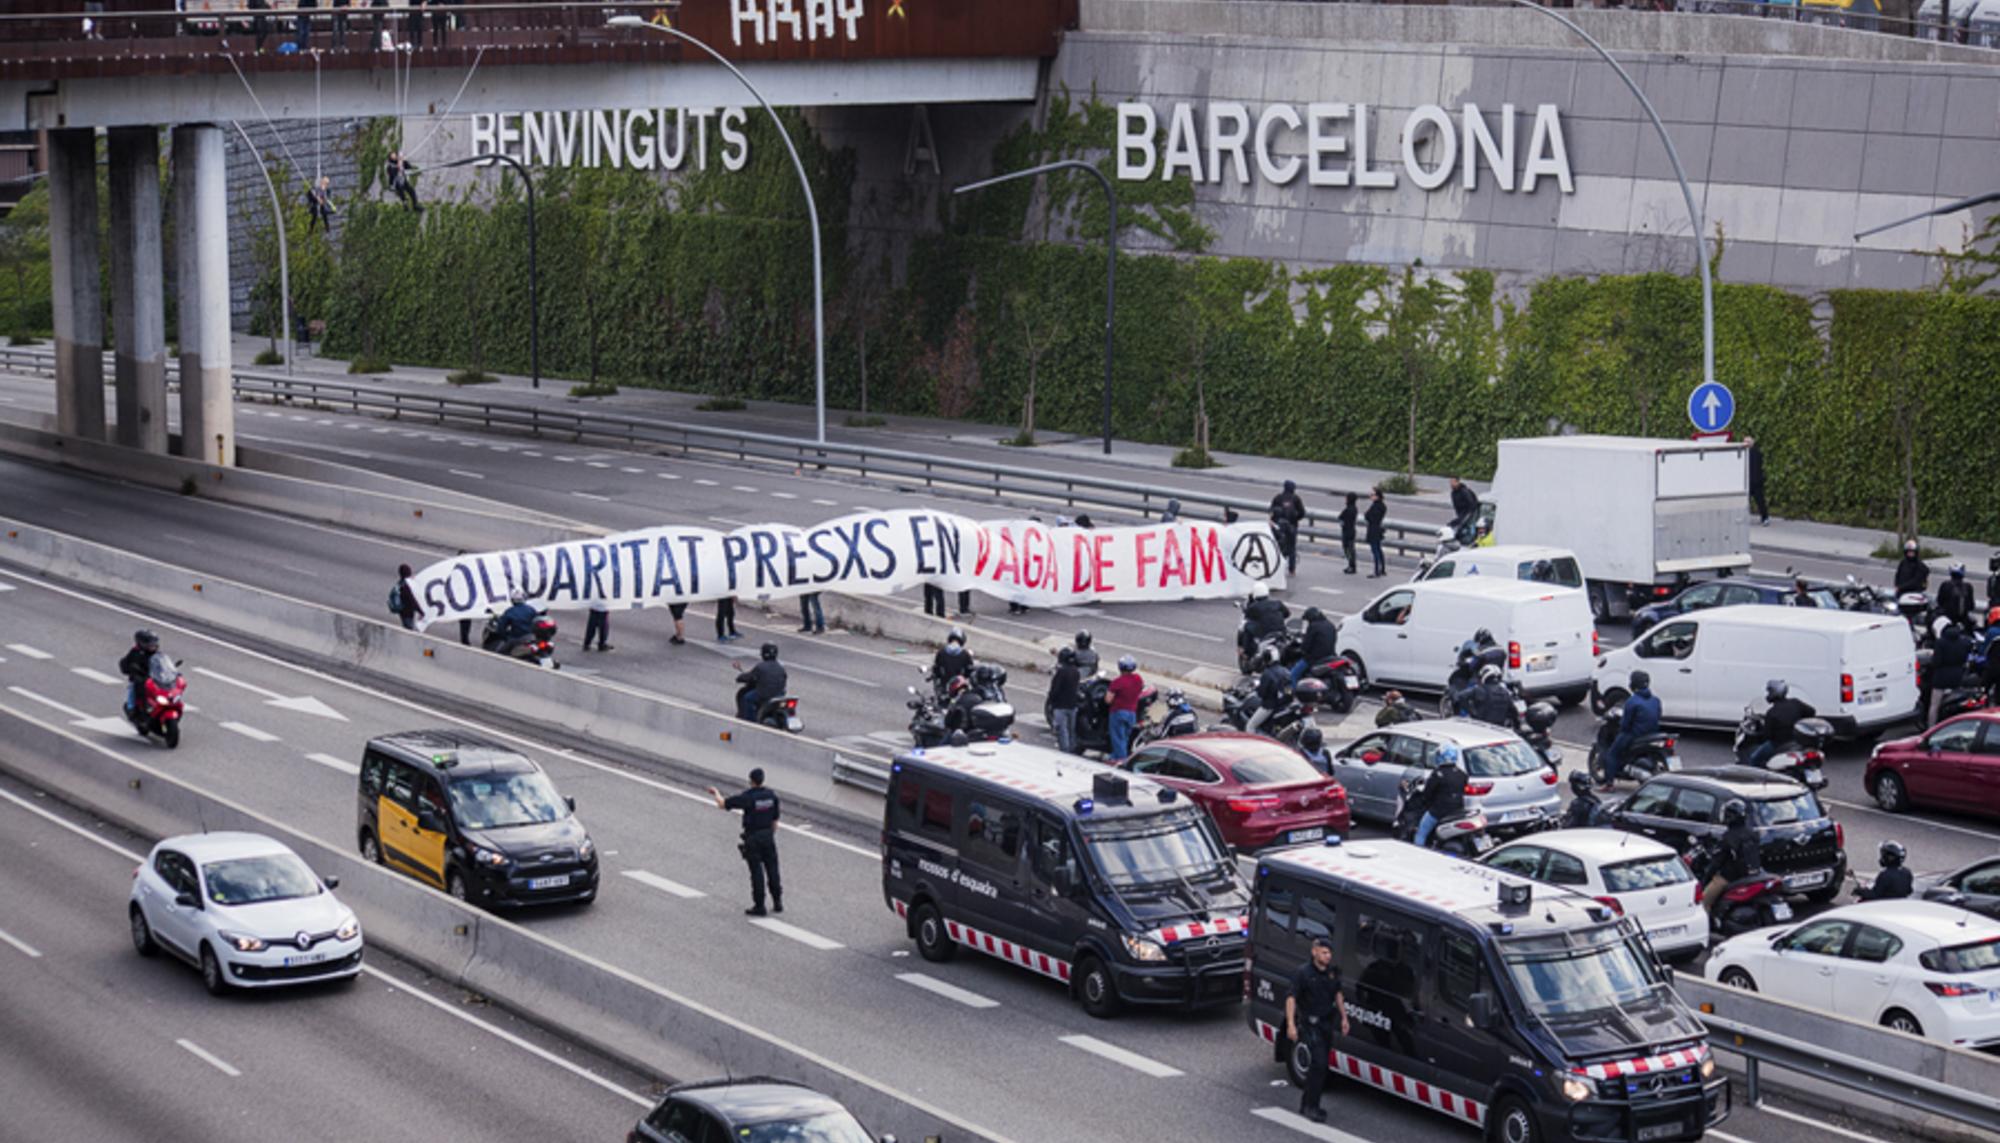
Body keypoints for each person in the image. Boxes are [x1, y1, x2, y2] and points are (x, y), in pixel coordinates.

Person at [1285, 936, 1350, 1125]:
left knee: (1321, 1066)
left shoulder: (1332, 973)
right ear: (1314, 952)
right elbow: (1291, 998)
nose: (1328, 956)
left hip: (1326, 1024)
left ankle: (1307, 1103)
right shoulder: (1303, 973)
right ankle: (1311, 1107)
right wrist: (1290, 1024)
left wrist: (1344, 1018)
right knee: (1319, 1064)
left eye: (1329, 953)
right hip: (1309, 1025)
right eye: (1324, 952)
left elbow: (1338, 994)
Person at [708, 769, 782, 916]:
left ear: (751, 781)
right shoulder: (772, 796)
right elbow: (775, 821)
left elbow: (723, 804)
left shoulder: (748, 797)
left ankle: (760, 906)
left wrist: (716, 793)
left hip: (753, 837)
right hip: (768, 836)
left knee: (756, 872)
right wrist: (769, 835)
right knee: (772, 869)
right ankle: (777, 902)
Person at [1598, 670, 1660, 791]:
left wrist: (1621, 728)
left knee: (1612, 753)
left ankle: (1609, 784)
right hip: (1652, 734)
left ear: (1633, 685)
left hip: (1634, 735)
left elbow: (1626, 724)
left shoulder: (1632, 702)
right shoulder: (1655, 700)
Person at [1702, 799, 1761, 920]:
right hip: (1755, 874)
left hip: (1730, 877)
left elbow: (1716, 862)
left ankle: (1706, 927)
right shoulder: (1753, 834)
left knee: (1703, 902)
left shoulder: (1728, 838)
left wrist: (1706, 877)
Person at [1746, 679, 1815, 767]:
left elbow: (1767, 736)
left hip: (1778, 744)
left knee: (1754, 758)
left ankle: (1754, 777)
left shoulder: (1772, 713)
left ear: (1775, 693)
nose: (1768, 695)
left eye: (1770, 692)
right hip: (1797, 741)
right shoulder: (1796, 703)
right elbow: (1812, 712)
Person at [1413, 745, 1467, 848]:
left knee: (1421, 832)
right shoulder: (1462, 774)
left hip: (1439, 810)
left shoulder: (1437, 773)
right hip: (1457, 809)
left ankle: (1417, 850)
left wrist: (1424, 800)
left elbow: (1428, 792)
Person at [1928, 622, 1971, 726]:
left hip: (1941, 678)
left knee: (1934, 706)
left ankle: (1931, 727)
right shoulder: (1964, 642)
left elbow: (1936, 661)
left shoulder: (1940, 642)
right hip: (1957, 677)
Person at [120, 629, 166, 719]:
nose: (152, 645)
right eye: (149, 642)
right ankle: (131, 708)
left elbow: (163, 663)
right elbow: (124, 665)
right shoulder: (135, 653)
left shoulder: (157, 654)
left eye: (154, 642)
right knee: (132, 689)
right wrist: (133, 669)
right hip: (139, 679)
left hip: (154, 679)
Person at [735, 643, 787, 722]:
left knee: (747, 698)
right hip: (780, 694)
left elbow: (750, 677)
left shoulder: (761, 666)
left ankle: (750, 721)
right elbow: (784, 678)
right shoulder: (780, 667)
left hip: (764, 694)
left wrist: (740, 677)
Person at [1106, 656, 1145, 761]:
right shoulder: (1138, 679)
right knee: (1125, 739)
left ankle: (1121, 761)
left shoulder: (1117, 682)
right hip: (1132, 714)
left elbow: (1108, 700)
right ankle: (1114, 756)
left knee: (1117, 739)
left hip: (1118, 713)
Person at [1246, 659, 1294, 735]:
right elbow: (1289, 688)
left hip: (1270, 706)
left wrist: (1258, 689)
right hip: (1284, 703)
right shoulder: (1284, 670)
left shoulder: (1267, 673)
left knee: (1250, 726)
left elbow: (1261, 694)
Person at [1047, 647, 1081, 754]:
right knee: (1071, 730)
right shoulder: (1076, 672)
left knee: (1062, 730)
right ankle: (1072, 749)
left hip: (1060, 705)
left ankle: (1065, 751)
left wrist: (1051, 700)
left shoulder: (1061, 672)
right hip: (1072, 705)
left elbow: (1055, 689)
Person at [1269, 480, 1307, 576]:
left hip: (1279, 528)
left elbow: (1271, 511)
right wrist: (1295, 519)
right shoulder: (1296, 498)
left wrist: (1275, 521)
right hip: (1292, 527)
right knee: (1292, 548)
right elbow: (1302, 513)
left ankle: (1278, 566)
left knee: (1278, 547)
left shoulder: (1278, 498)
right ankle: (1292, 569)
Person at [1294, 606, 1338, 685]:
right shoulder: (1330, 625)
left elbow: (1305, 647)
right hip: (1331, 656)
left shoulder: (1313, 627)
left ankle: (1290, 694)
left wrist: (1301, 649)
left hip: (1315, 659)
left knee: (1293, 675)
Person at [1467, 664, 1517, 729]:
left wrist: (1472, 713)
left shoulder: (1479, 689)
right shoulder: (1504, 691)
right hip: (1500, 727)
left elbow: (1461, 696)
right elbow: (1513, 711)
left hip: (1482, 725)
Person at [932, 627, 972, 693]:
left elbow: (936, 668)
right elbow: (969, 671)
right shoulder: (965, 654)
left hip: (943, 685)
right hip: (958, 686)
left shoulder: (941, 652)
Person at [1938, 563, 1976, 628]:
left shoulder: (1945, 585)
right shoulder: (1968, 586)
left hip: (1948, 618)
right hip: (1964, 619)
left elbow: (1940, 601)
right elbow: (1971, 605)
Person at [1364, 488, 1387, 577]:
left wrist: (1368, 515)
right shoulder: (1380, 505)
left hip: (1374, 530)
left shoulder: (1377, 506)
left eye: (1372, 495)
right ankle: (1382, 569)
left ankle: (1377, 570)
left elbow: (1369, 516)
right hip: (1377, 529)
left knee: (1375, 550)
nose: (1371, 496)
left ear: (1377, 496)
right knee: (1378, 549)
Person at [1746, 436, 1768, 525]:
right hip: (1750, 482)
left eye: (1748, 442)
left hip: (1755, 482)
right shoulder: (1746, 453)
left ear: (1752, 443)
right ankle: (1764, 518)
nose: (1746, 443)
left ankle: (1765, 518)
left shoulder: (1755, 453)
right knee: (1748, 502)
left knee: (1760, 501)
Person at [1337, 492, 1358, 575]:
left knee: (1348, 549)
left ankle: (1351, 565)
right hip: (1351, 530)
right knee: (1350, 549)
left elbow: (1340, 517)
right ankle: (1351, 565)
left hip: (1347, 531)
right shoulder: (1354, 508)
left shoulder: (1348, 509)